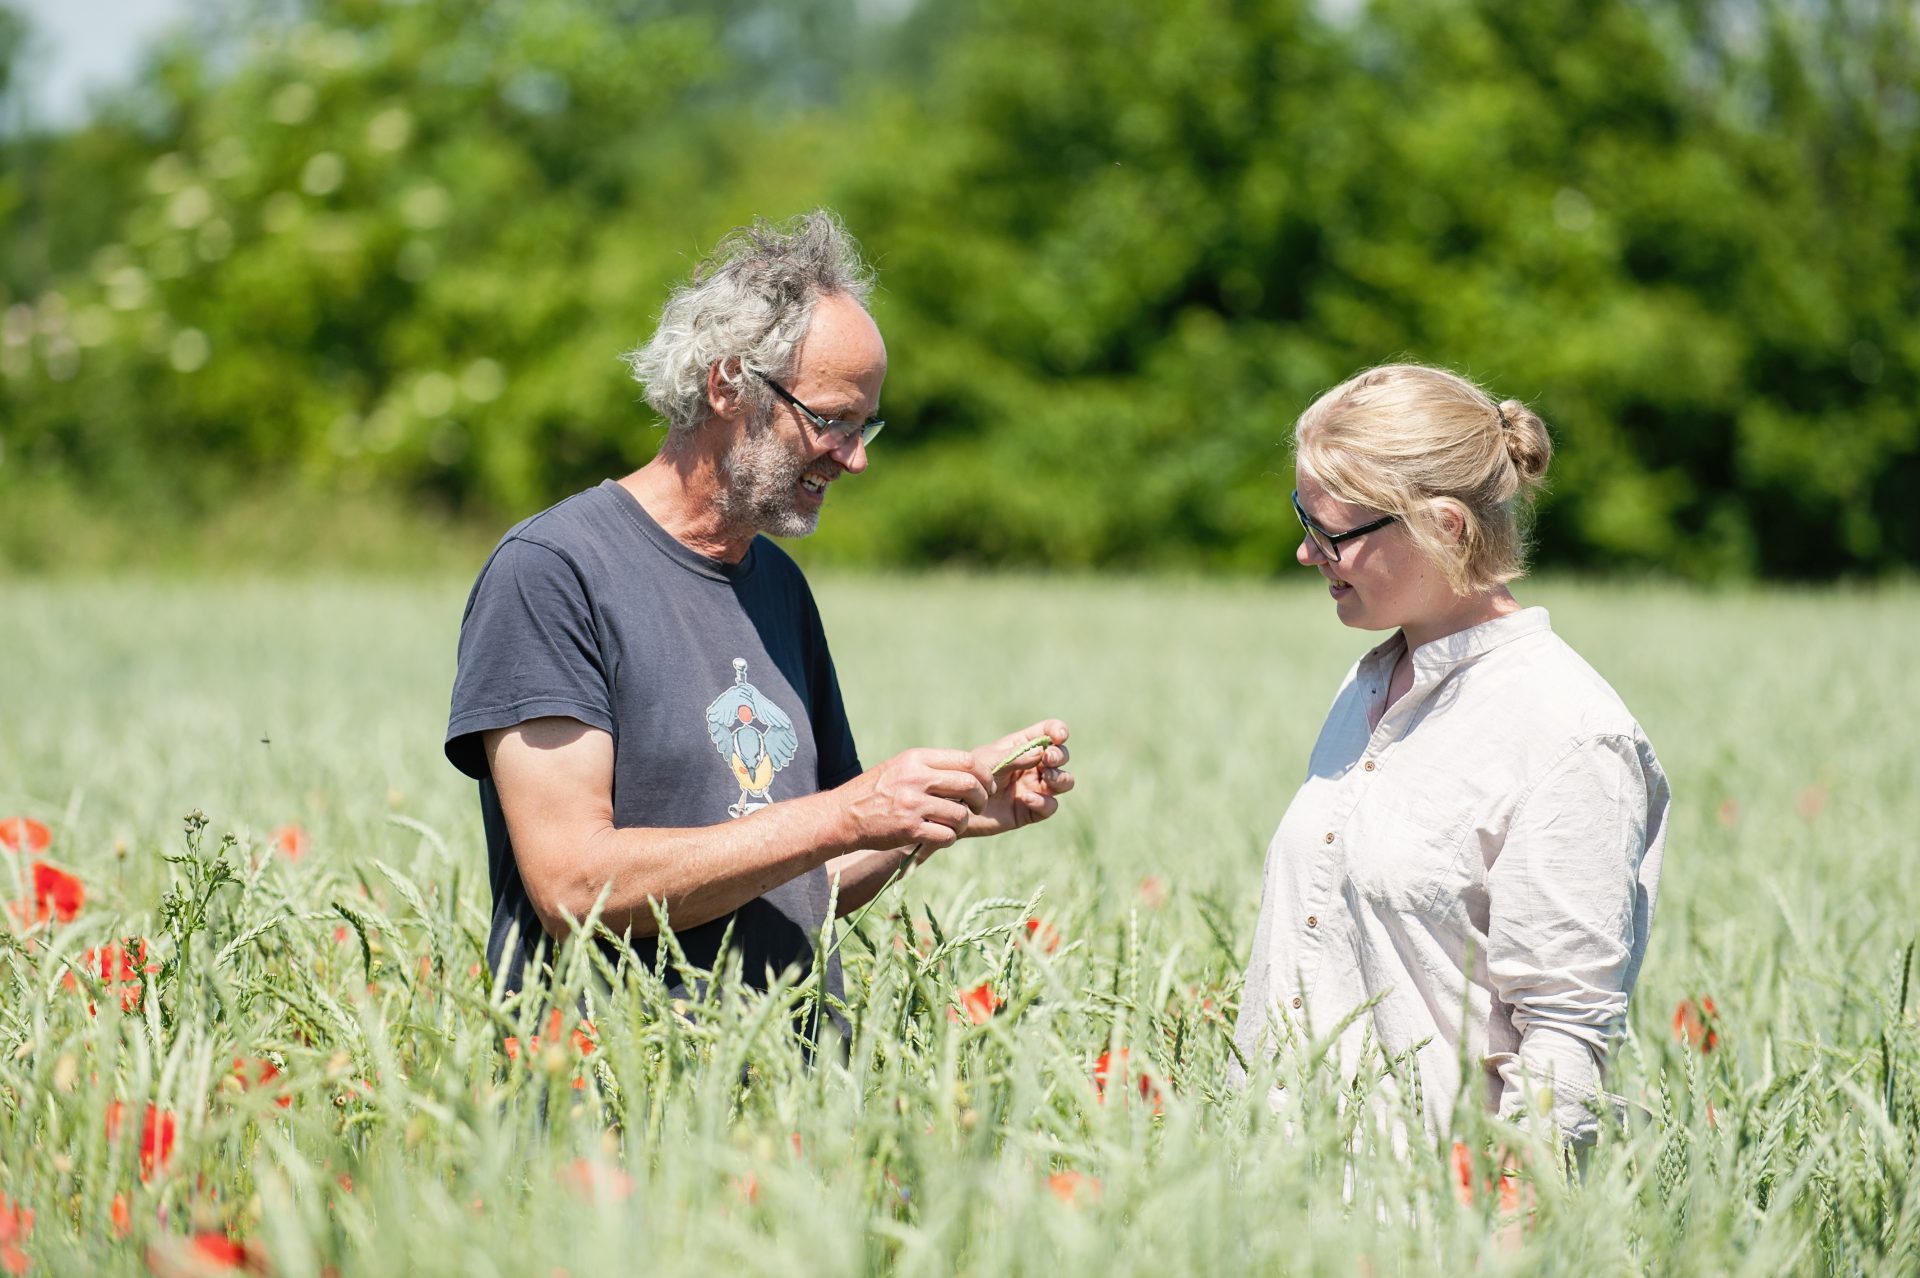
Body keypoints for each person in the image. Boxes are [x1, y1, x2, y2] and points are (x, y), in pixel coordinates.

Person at [443, 210, 1072, 1038]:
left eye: (865, 425)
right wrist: (847, 811)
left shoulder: (776, 584)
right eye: (831, 420)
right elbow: (572, 887)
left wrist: (930, 819)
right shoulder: (554, 573)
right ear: (727, 384)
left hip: (789, 1114)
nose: (856, 458)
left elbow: (804, 870)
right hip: (619, 1108)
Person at [1228, 363, 1669, 1147]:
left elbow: (1564, 1047)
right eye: (1304, 516)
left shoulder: (1569, 735)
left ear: (1445, 527)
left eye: (1329, 532)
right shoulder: (1368, 685)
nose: (1305, 553)